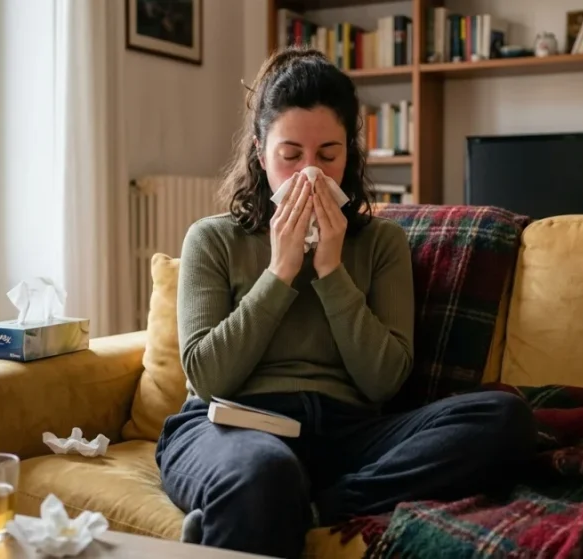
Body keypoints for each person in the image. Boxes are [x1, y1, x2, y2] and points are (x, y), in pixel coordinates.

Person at [155, 46, 536, 559]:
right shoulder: (213, 239)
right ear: (260, 151)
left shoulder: (379, 244)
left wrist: (332, 271)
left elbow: (383, 381)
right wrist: (281, 270)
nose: (309, 174)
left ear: (349, 156)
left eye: (328, 155)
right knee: (264, 471)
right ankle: (272, 494)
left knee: (503, 420)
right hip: (232, 424)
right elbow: (207, 376)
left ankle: (317, 506)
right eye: (290, 156)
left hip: (347, 434)